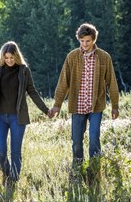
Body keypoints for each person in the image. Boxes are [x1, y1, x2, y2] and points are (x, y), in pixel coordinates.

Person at [49, 23, 119, 166]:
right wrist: (57, 105)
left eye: (88, 41)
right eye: (82, 41)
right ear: (78, 40)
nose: (85, 44)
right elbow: (64, 82)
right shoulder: (72, 57)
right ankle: (78, 168)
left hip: (96, 106)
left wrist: (115, 106)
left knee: (94, 138)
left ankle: (94, 168)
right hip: (78, 105)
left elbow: (111, 83)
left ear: (94, 39)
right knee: (76, 141)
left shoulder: (104, 57)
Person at [0, 41, 50, 186]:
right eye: (6, 57)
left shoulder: (24, 71)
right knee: (0, 152)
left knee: (16, 152)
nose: (9, 60)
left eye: (12, 57)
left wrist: (45, 110)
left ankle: (13, 181)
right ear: (2, 57)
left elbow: (32, 91)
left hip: (17, 117)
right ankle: (6, 174)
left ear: (17, 56)